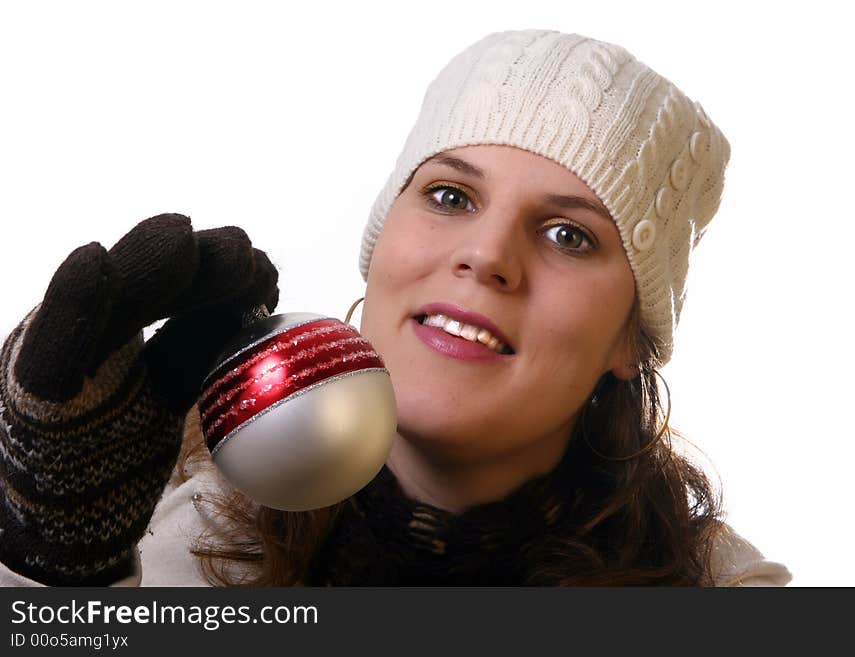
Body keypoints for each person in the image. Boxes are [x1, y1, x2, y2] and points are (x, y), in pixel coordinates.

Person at [0, 29, 791, 586]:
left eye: (568, 235)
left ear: (632, 336)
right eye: (450, 195)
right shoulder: (179, 541)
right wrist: (53, 568)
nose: (486, 255)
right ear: (379, 251)